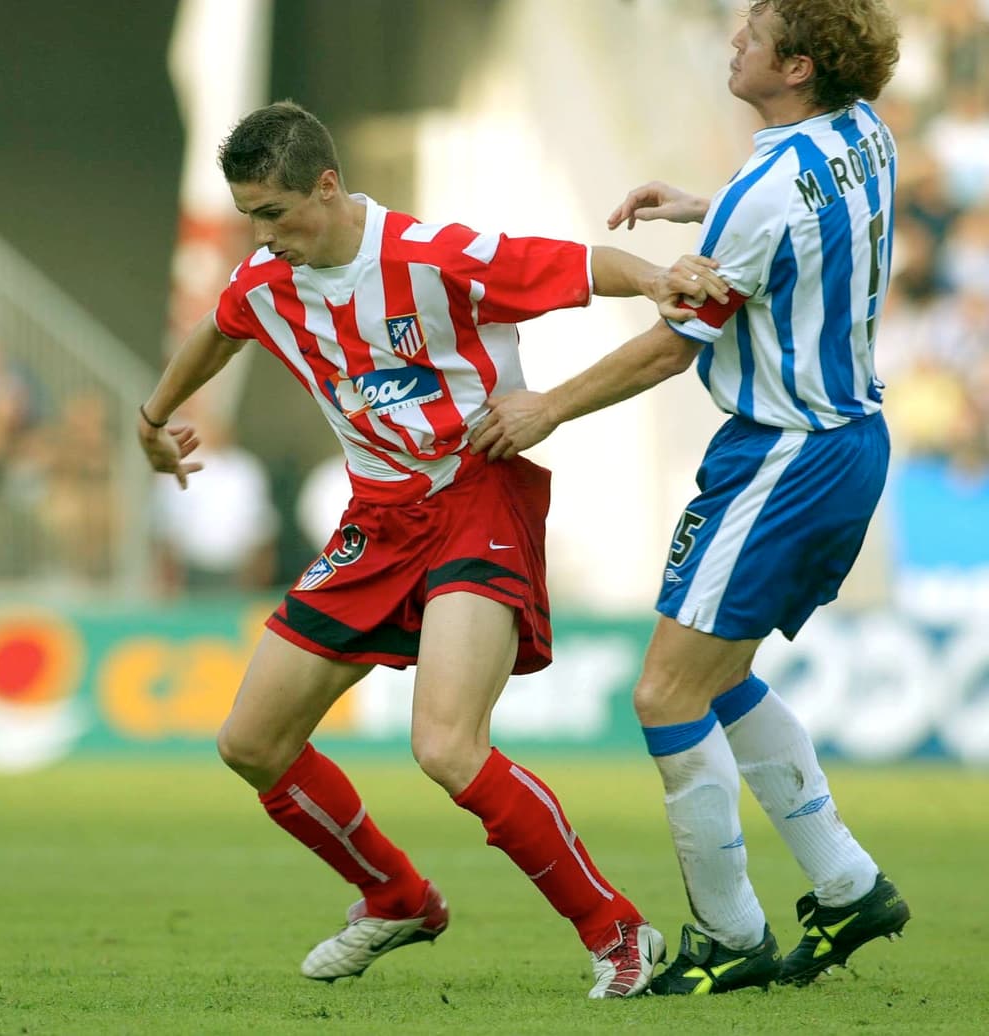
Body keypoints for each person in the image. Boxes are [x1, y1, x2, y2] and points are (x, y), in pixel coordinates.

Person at [138, 100, 728, 998]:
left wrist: (653, 280)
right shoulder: (266, 279)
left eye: (273, 213)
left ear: (327, 187)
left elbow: (571, 264)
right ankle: (394, 895)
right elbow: (219, 331)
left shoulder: (431, 255)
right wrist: (153, 420)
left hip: (476, 494)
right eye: (249, 215)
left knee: (447, 746)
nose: (260, 236)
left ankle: (618, 931)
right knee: (251, 742)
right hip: (373, 522)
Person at [470, 0, 910, 995]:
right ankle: (845, 884)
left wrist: (549, 407)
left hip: (780, 458)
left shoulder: (759, 194)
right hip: (848, 444)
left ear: (793, 67)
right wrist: (702, 210)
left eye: (748, 37)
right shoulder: (863, 133)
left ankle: (728, 933)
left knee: (663, 693)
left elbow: (676, 340)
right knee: (709, 680)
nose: (731, 44)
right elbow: (797, 209)